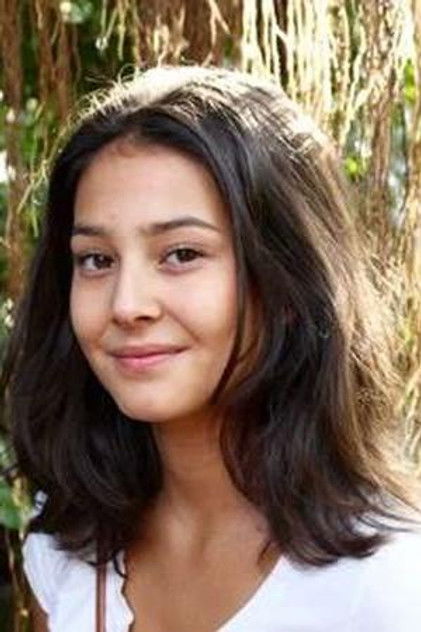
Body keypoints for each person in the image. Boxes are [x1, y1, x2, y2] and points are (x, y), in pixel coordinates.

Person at [3, 65, 421, 632]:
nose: (127, 305)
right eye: (96, 260)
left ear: (287, 283)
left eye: (181, 254)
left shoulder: (390, 585)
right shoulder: (67, 548)